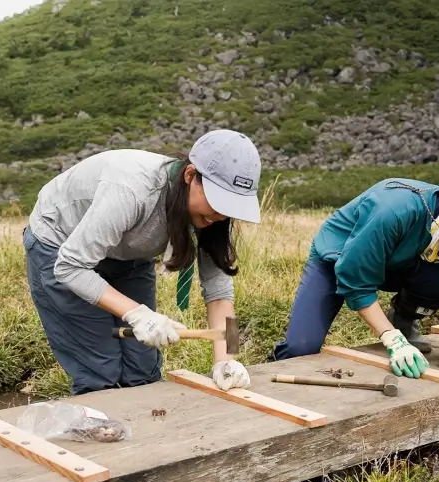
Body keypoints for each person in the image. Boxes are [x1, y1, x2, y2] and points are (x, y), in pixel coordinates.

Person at [22, 129, 262, 395]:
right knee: (100, 371)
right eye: (218, 201)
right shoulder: (133, 191)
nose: (220, 214)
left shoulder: (215, 217)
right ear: (190, 176)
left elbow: (220, 293)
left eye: (230, 206)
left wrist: (228, 359)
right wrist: (137, 314)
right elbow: (71, 267)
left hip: (127, 254)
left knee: (143, 370)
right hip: (62, 247)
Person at [270, 178, 439, 395]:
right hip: (341, 257)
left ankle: (403, 316)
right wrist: (392, 340)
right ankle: (394, 329)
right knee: (300, 347)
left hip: (404, 265)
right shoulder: (394, 211)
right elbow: (356, 282)